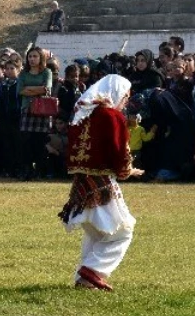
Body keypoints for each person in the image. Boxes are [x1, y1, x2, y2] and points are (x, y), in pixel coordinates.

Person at [57, 74, 142, 292]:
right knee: (122, 231)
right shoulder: (111, 115)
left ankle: (83, 280)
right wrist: (127, 170)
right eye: (125, 97)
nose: (125, 102)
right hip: (101, 183)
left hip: (80, 183)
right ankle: (92, 271)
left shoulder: (82, 112)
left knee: (96, 232)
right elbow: (118, 152)